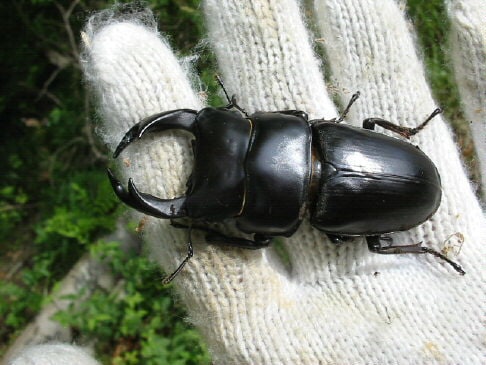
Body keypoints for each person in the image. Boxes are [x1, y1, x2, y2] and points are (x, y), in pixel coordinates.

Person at [9, 0, 485, 364]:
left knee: (373, 244)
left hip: (377, 185)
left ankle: (422, 237)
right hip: (368, 166)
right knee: (366, 224)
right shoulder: (315, 131)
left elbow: (260, 235)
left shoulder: (304, 159)